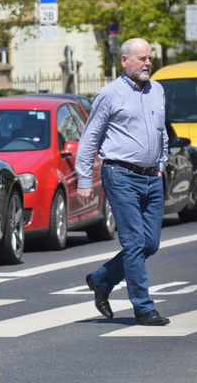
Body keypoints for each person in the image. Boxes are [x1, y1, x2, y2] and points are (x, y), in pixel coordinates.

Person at [75, 38, 170, 326]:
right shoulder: (110, 94)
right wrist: (83, 179)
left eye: (149, 58)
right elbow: (90, 137)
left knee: (149, 244)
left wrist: (161, 164)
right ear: (125, 61)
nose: (147, 63)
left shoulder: (158, 90)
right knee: (133, 243)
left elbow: (160, 130)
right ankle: (143, 308)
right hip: (120, 174)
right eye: (141, 58)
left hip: (151, 177)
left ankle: (102, 280)